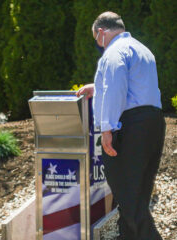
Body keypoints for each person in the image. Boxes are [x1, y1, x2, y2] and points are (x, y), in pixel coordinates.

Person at [76, 12, 165, 240]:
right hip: (153, 123)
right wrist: (96, 87)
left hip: (131, 126)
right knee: (138, 194)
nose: (99, 45)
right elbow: (133, 87)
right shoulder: (142, 49)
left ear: (101, 33)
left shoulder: (114, 51)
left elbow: (116, 89)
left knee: (127, 194)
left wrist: (107, 129)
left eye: (97, 41)